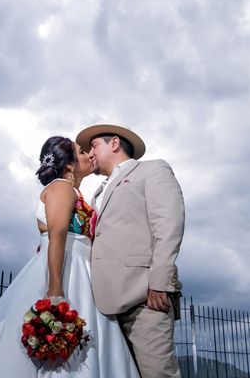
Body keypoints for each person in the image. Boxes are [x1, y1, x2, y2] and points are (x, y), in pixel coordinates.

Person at [0, 136, 140, 377]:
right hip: (70, 271)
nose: (90, 155)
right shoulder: (62, 187)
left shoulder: (74, 192)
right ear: (69, 165)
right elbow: (57, 234)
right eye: (83, 152)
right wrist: (56, 289)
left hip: (81, 266)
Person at [76, 124, 185, 378]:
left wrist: (160, 282)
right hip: (104, 303)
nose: (90, 154)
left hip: (145, 297)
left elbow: (169, 224)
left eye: (94, 146)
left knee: (157, 373)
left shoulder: (152, 169)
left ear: (114, 144)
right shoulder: (96, 194)